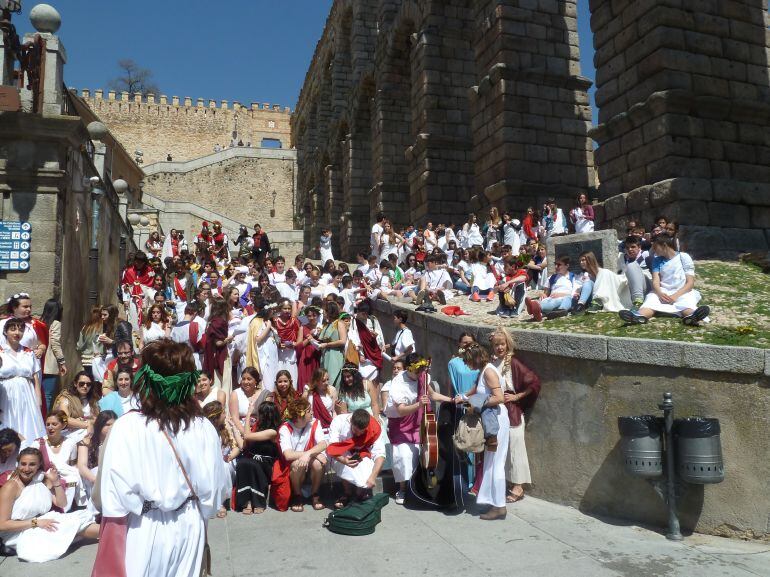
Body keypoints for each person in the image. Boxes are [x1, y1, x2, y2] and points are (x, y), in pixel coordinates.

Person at [92, 340, 227, 577]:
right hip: (190, 525)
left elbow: (111, 496)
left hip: (144, 526)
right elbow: (215, 493)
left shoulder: (126, 427)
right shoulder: (204, 427)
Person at [0, 447, 98, 562]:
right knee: (67, 526)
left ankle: (114, 534)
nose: (26, 469)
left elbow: (62, 503)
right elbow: (2, 525)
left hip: (41, 521)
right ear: (18, 464)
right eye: (23, 464)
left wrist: (56, 481)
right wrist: (36, 523)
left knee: (74, 520)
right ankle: (114, 534)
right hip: (17, 532)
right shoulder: (11, 487)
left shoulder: (40, 479)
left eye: (32, 464)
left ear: (39, 465)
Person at [385, 353, 454, 505]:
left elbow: (433, 394)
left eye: (421, 370)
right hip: (402, 425)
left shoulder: (423, 376)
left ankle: (420, 487)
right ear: (409, 369)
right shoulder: (398, 383)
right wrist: (418, 405)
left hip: (420, 422)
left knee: (426, 455)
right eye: (417, 371)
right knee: (404, 456)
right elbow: (401, 410)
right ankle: (403, 488)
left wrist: (453, 400)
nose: (419, 373)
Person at [488, 328, 540, 503]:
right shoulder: (493, 362)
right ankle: (509, 482)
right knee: (503, 449)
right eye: (496, 345)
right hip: (498, 410)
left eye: (502, 344)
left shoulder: (514, 363)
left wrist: (517, 396)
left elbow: (533, 382)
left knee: (516, 448)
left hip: (512, 410)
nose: (499, 347)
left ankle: (519, 486)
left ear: (507, 344)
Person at [461, 342, 509, 520]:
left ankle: (499, 506)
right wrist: (465, 397)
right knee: (490, 462)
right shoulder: (484, 371)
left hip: (496, 420)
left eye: (469, 360)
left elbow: (500, 397)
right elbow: (477, 389)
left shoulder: (488, 371)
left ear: (478, 358)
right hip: (492, 419)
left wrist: (476, 404)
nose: (468, 364)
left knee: (496, 462)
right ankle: (492, 501)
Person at [619, 234, 710, 326]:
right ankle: (638, 316)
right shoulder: (656, 260)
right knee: (650, 301)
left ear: (664, 245)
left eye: (655, 247)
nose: (653, 250)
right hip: (663, 291)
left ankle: (692, 316)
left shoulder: (684, 257)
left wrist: (675, 296)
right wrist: (659, 293)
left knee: (686, 304)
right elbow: (656, 280)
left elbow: (690, 283)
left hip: (682, 291)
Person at [273, 398, 328, 512]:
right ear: (299, 416)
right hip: (293, 466)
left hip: (310, 460)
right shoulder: (285, 428)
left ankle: (315, 494)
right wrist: (311, 454)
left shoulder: (314, 423)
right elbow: (288, 455)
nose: (312, 412)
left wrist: (308, 454)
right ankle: (297, 495)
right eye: (309, 411)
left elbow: (323, 444)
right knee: (299, 464)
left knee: (318, 464)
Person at [327, 408, 386, 505]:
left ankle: (360, 492)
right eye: (355, 430)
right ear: (351, 422)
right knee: (344, 464)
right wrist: (344, 460)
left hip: (361, 453)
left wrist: (373, 477)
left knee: (367, 475)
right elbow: (332, 447)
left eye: (362, 432)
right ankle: (347, 493)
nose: (358, 434)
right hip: (341, 454)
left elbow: (380, 454)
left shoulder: (374, 426)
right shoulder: (338, 421)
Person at [0, 317, 45, 444]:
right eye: (13, 329)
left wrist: (38, 401)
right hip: (6, 396)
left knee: (29, 426)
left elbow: (35, 379)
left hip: (27, 396)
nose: (17, 333)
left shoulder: (29, 353)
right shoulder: (1, 352)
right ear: (5, 332)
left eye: (20, 329)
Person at [234, 401, 280, 515]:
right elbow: (244, 445)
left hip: (266, 464)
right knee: (242, 463)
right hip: (252, 459)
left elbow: (247, 436)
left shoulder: (272, 432)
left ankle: (258, 502)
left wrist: (248, 414)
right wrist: (234, 430)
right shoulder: (257, 428)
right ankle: (247, 501)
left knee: (251, 464)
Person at [37, 410, 86, 511]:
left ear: (63, 425)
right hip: (46, 480)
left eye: (54, 424)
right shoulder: (38, 443)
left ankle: (66, 510)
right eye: (48, 424)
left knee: (72, 479)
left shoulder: (70, 443)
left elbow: (72, 465)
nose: (50, 427)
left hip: (66, 480)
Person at [202, 400, 242, 518]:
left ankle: (221, 501)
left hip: (227, 461)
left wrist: (229, 457)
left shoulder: (226, 428)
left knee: (223, 467)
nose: (225, 415)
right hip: (209, 462)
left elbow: (236, 447)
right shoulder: (204, 431)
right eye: (223, 412)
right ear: (216, 417)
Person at [76, 410, 117, 506]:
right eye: (107, 424)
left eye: (113, 425)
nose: (111, 428)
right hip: (92, 480)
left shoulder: (118, 442)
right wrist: (97, 481)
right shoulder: (86, 442)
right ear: (100, 425)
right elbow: (82, 466)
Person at [525, 257, 581, 321]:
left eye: (559, 265)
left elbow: (575, 293)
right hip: (552, 299)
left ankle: (537, 309)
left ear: (567, 266)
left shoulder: (573, 277)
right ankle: (537, 309)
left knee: (564, 300)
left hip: (566, 299)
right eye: (555, 264)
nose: (556, 266)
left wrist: (562, 295)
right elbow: (546, 293)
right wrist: (543, 295)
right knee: (547, 301)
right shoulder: (551, 278)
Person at [52, 371, 99, 442]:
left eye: (88, 384)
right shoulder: (65, 398)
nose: (85, 386)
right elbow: (64, 419)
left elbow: (97, 419)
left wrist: (84, 421)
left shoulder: (93, 399)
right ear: (75, 384)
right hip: (68, 433)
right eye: (82, 384)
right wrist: (86, 424)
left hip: (89, 432)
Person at [40, 299, 67, 410]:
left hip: (39, 362)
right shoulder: (55, 323)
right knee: (48, 395)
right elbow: (55, 343)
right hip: (49, 364)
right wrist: (62, 362)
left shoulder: (40, 322)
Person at [229, 367, 266, 436]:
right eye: (243, 379)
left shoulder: (263, 393)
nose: (246, 382)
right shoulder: (235, 394)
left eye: (249, 379)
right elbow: (235, 418)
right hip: (240, 430)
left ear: (256, 380)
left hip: (259, 430)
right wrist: (246, 435)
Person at [318, 301, 347, 387]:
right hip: (325, 355)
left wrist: (327, 345)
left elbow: (343, 341)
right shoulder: (327, 324)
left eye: (325, 310)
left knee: (333, 380)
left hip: (335, 355)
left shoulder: (339, 323)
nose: (323, 312)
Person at [273, 298, 300, 385]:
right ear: (280, 309)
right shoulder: (275, 321)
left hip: (290, 351)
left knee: (291, 373)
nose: (287, 310)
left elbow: (299, 335)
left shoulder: (293, 321)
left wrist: (294, 344)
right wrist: (278, 344)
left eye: (289, 308)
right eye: (285, 308)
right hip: (279, 351)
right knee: (279, 371)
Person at [296, 305, 323, 392]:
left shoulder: (321, 327)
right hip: (306, 357)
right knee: (305, 379)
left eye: (314, 315)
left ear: (318, 316)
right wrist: (310, 337)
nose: (311, 318)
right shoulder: (302, 328)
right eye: (309, 316)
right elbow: (299, 345)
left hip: (317, 356)